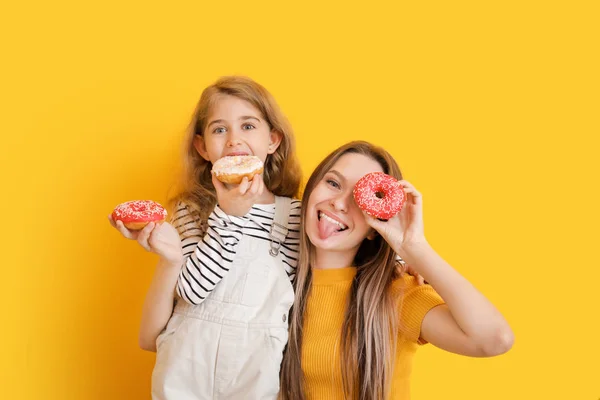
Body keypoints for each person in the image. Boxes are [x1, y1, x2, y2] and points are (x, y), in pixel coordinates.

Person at [109, 76, 303, 399]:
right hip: (185, 371)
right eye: (219, 129)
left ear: (273, 140)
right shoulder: (191, 211)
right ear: (202, 147)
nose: (233, 140)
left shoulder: (294, 217)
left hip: (255, 377)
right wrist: (227, 216)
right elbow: (192, 291)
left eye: (248, 126)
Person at [278, 140, 514, 400]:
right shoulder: (273, 279)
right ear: (311, 189)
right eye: (333, 183)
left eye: (359, 199)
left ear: (373, 228)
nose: (340, 203)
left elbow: (494, 339)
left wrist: (415, 249)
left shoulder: (394, 295)